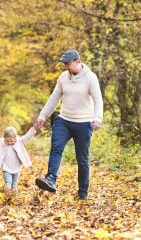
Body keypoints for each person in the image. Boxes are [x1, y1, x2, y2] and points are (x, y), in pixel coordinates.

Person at [34, 50, 103, 200]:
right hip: (64, 120)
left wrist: (97, 118)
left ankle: (82, 193)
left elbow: (98, 99)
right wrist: (42, 116)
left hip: (84, 123)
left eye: (68, 63)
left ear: (77, 61)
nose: (66, 67)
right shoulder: (63, 78)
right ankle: (51, 179)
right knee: (56, 147)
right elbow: (54, 98)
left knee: (82, 159)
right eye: (64, 64)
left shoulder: (91, 78)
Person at [0, 125, 36, 191]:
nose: (9, 143)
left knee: (14, 184)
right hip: (6, 167)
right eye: (7, 141)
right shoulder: (1, 142)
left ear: (15, 138)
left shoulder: (19, 141)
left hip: (16, 167)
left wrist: (33, 129)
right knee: (8, 182)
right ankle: (7, 194)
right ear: (4, 138)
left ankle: (13, 197)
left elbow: (27, 137)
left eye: (11, 141)